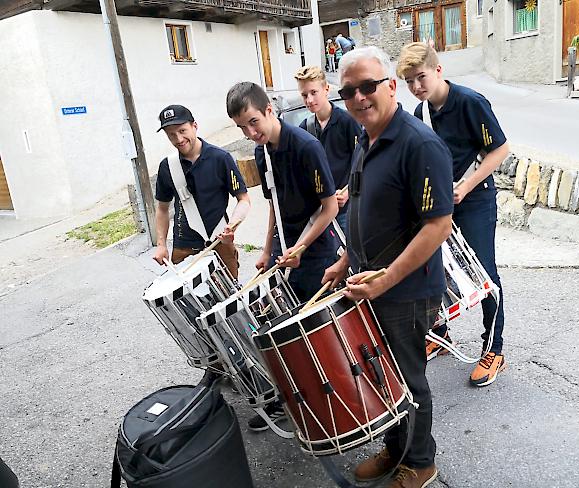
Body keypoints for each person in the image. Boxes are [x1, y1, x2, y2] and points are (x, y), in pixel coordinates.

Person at [322, 46, 453, 488]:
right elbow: (363, 211)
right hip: (369, 284)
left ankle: (420, 462)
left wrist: (387, 278)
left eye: (367, 87)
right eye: (348, 92)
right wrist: (344, 261)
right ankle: (397, 448)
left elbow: (438, 226)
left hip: (407, 288)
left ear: (390, 86)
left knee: (409, 378)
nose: (358, 98)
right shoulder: (366, 137)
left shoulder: (419, 143)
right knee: (384, 375)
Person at [226, 81, 339, 431]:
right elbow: (273, 204)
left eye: (254, 121)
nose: (250, 132)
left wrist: (301, 247)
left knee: (318, 333)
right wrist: (266, 249)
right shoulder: (262, 153)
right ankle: (295, 398)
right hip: (286, 251)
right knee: (281, 330)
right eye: (242, 127)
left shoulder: (307, 146)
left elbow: (330, 207)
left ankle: (333, 400)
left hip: (317, 251)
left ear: (270, 111)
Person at [397, 42, 510, 387]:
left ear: (438, 70)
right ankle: (441, 335)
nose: (417, 87)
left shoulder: (470, 102)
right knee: (436, 271)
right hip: (440, 204)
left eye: (421, 77)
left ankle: (494, 350)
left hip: (476, 199)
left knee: (484, 274)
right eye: (409, 82)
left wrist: (467, 185)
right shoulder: (421, 113)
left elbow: (501, 149)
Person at [153, 104, 250, 278]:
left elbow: (243, 199)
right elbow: (162, 208)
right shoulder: (167, 167)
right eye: (171, 135)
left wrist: (232, 226)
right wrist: (161, 245)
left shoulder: (221, 158)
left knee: (230, 298)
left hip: (220, 240)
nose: (179, 139)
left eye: (182, 130)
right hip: (183, 247)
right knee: (191, 302)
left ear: (194, 126)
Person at [294, 65, 362, 236]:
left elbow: (363, 162)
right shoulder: (304, 128)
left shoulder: (348, 122)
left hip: (347, 208)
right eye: (304, 95)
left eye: (313, 92)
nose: (309, 100)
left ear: (326, 89)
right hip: (320, 211)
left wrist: (348, 191)